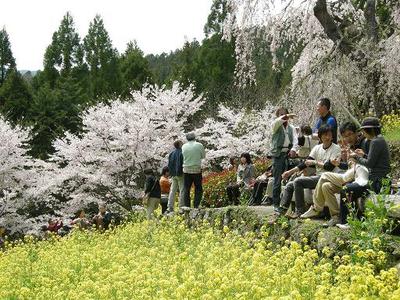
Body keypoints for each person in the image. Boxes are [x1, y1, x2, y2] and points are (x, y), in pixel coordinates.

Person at [299, 121, 370, 226]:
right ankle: (335, 217)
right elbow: (349, 166)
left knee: (324, 175)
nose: (348, 138)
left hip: (360, 177)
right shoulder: (351, 146)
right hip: (351, 176)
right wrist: (339, 164)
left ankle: (316, 208)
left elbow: (369, 163)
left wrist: (361, 156)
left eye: (350, 134)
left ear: (356, 133)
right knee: (326, 186)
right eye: (345, 136)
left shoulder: (364, 143)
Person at [276, 125, 341, 218]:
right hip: (318, 177)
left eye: (329, 135)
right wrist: (289, 172)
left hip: (328, 177)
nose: (327, 137)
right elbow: (305, 163)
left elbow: (329, 167)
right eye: (325, 135)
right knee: (290, 185)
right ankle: (281, 212)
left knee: (298, 181)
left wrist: (314, 162)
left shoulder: (336, 148)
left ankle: (299, 212)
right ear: (320, 136)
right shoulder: (317, 148)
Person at [338, 117, 391, 228]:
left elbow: (370, 164)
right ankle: (355, 220)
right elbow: (373, 160)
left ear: (369, 130)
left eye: (364, 131)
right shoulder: (379, 140)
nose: (362, 133)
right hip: (379, 180)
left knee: (346, 189)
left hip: (377, 182)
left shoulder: (375, 142)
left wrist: (356, 157)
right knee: (348, 188)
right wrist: (363, 155)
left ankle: (347, 222)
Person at [270, 107, 298, 212]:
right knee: (277, 180)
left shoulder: (291, 128)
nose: (283, 116)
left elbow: (295, 140)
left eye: (284, 114)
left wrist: (294, 149)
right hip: (278, 154)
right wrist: (285, 117)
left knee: (291, 178)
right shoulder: (275, 126)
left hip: (288, 154)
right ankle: (276, 203)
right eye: (280, 114)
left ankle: (288, 203)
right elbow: (277, 122)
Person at [182, 133, 206, 208]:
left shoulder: (184, 146)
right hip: (196, 170)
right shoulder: (199, 145)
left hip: (186, 170)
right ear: (194, 137)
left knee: (186, 188)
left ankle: (187, 205)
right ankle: (196, 205)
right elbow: (203, 156)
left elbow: (182, 157)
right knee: (198, 188)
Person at [167, 140, 184, 213]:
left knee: (172, 191)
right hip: (180, 173)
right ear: (180, 145)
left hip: (173, 174)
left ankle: (170, 207)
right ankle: (181, 207)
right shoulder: (182, 152)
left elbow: (169, 164)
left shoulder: (171, 153)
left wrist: (171, 173)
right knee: (182, 190)